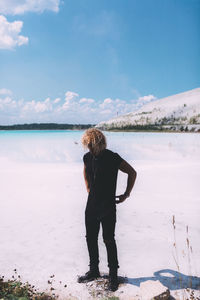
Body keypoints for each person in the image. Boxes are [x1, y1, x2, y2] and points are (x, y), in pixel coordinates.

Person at [78, 128, 137, 291]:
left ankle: (113, 276)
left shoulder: (112, 157)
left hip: (108, 206)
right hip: (91, 205)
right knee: (90, 238)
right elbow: (85, 170)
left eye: (91, 145)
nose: (89, 149)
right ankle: (94, 270)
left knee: (108, 239)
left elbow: (132, 172)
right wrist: (88, 187)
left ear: (99, 143)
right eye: (87, 146)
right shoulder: (87, 157)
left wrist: (126, 194)